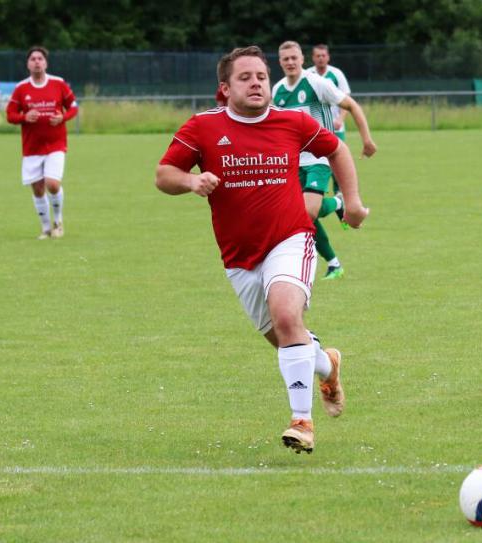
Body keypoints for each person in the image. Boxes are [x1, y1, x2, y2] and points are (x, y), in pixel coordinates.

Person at [155, 46, 369, 454]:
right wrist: (191, 183)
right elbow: (164, 174)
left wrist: (353, 203)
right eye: (245, 77)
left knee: (287, 315)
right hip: (238, 256)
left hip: (291, 238)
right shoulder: (202, 127)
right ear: (225, 88)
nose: (256, 83)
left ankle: (301, 421)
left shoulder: (293, 121)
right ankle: (328, 366)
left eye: (261, 77)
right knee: (288, 339)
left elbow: (337, 149)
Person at [273, 41, 377, 280]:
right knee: (301, 216)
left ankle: (339, 204)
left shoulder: (316, 83)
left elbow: (351, 105)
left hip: (319, 158)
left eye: (293, 58)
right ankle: (333, 263)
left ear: (302, 59)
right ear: (280, 62)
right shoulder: (276, 91)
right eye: (285, 59)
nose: (290, 62)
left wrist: (367, 140)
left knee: (307, 212)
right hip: (292, 163)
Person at [6, 46, 78, 239]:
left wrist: (62, 117)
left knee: (52, 184)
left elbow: (73, 107)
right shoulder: (21, 88)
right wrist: (24, 117)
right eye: (33, 59)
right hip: (31, 148)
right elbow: (10, 115)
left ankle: (58, 222)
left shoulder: (58, 83)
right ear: (28, 64)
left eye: (40, 58)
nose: (37, 62)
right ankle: (46, 228)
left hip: (55, 144)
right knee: (38, 189)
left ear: (46, 63)